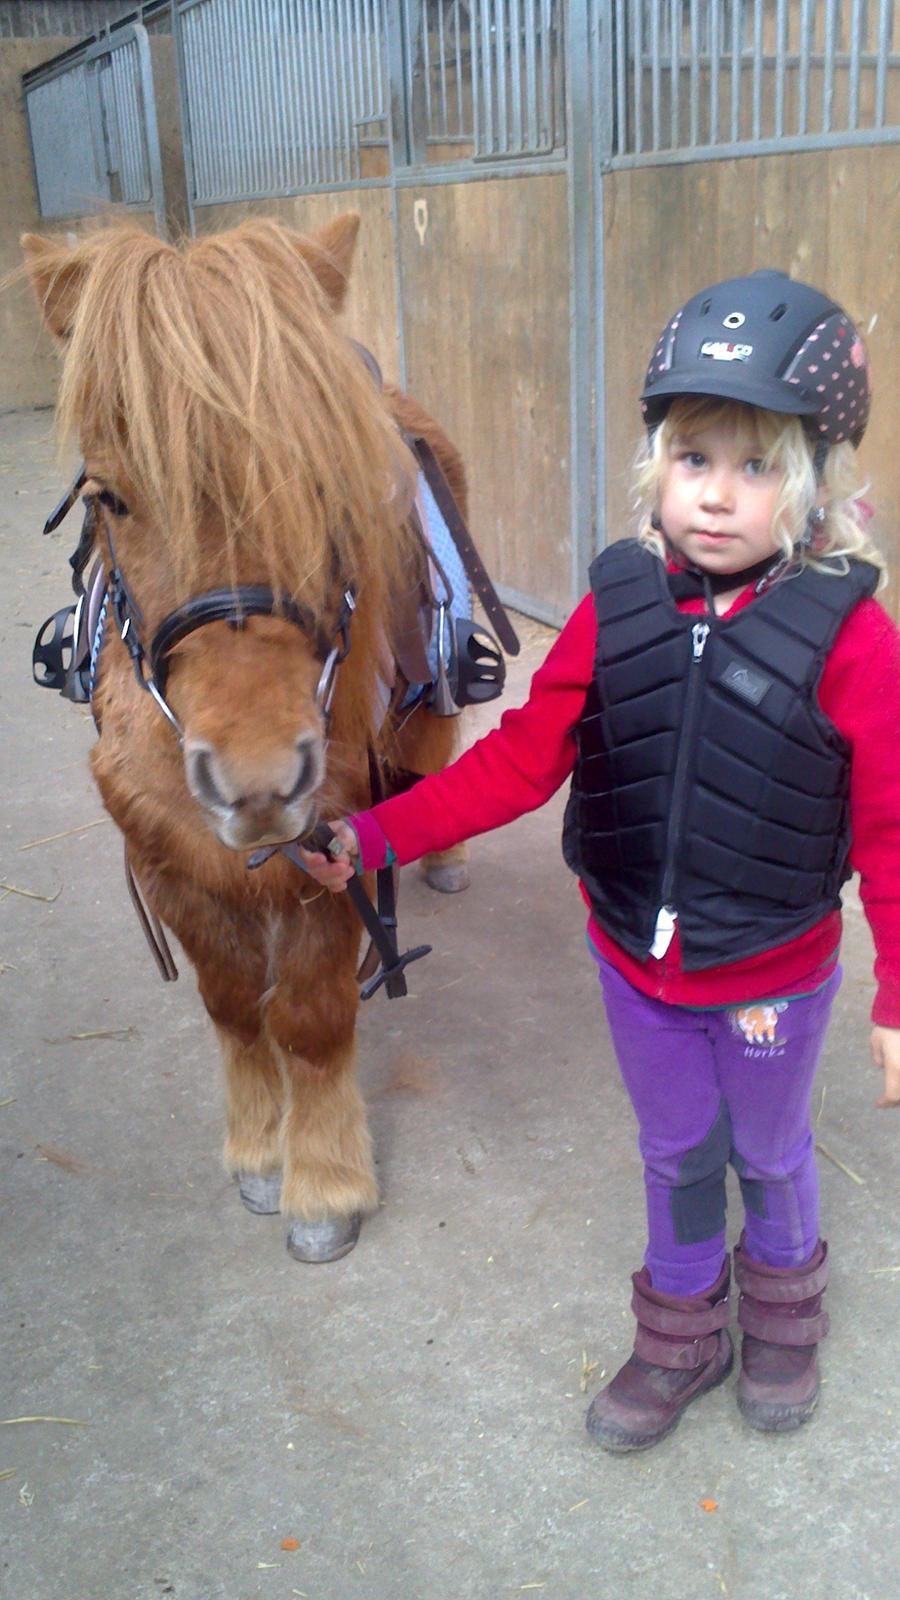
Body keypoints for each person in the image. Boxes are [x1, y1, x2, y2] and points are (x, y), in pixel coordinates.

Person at [300, 270, 900, 1452]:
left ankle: (784, 1311)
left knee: (770, 1151)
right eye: (694, 459)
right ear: (655, 469)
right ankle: (682, 1326)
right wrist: (372, 836)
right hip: (638, 966)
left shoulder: (852, 636)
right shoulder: (616, 605)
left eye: (756, 465)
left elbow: (891, 828)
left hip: (772, 970)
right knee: (677, 1149)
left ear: (816, 484)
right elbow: (521, 761)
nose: (718, 496)